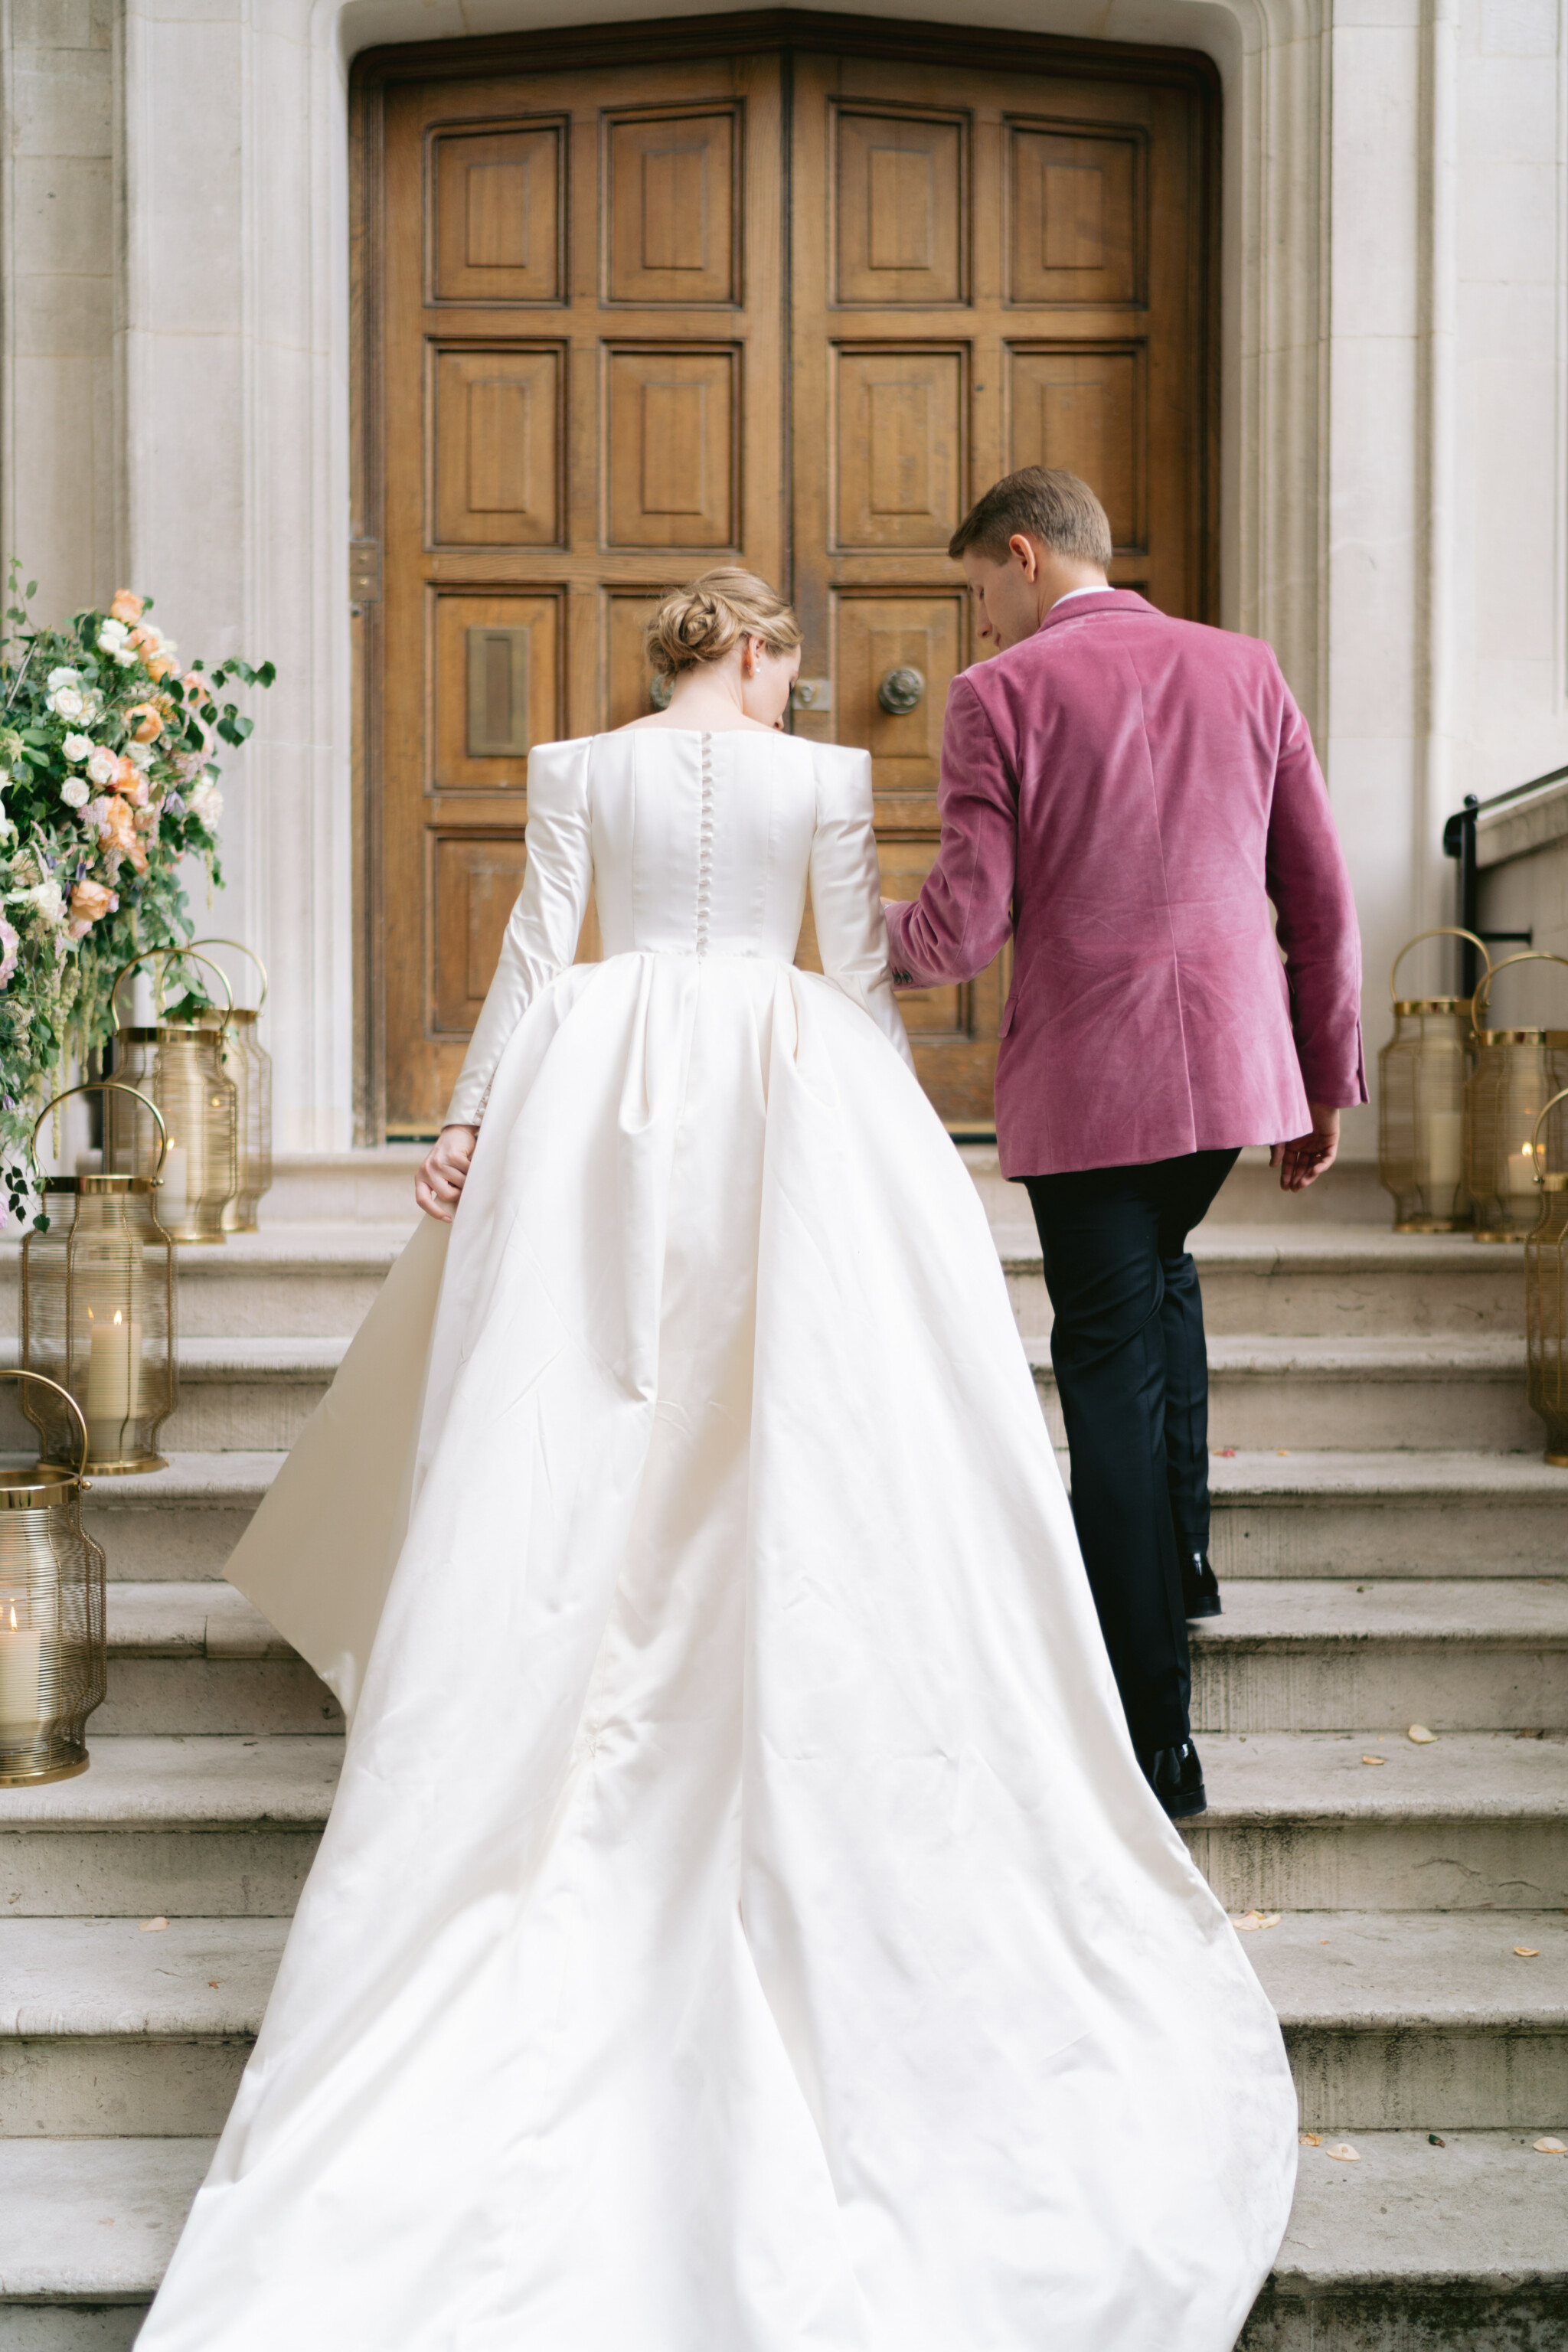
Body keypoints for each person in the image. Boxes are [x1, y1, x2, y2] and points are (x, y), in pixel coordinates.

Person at [139, 568, 1296, 2351]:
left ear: (664, 658)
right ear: (751, 659)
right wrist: (903, 1146)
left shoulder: (570, 764)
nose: (780, 692)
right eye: (780, 669)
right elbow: (853, 968)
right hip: (781, 1082)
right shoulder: (823, 780)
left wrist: (459, 1134)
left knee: (596, 1418)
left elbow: (537, 963)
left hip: (601, 1094)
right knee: (790, 1407)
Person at [884, 469, 1365, 1824]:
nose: (982, 631)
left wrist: (842, 938)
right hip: (1233, 1076)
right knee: (1162, 1269)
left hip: (1096, 1090)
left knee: (1104, 1369)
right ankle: (1189, 1559)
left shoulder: (1004, 696)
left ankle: (1155, 1733)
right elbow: (1318, 889)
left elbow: (966, 922)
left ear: (1025, 558)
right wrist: (1327, 1075)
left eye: (982, 595)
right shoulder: (1244, 666)